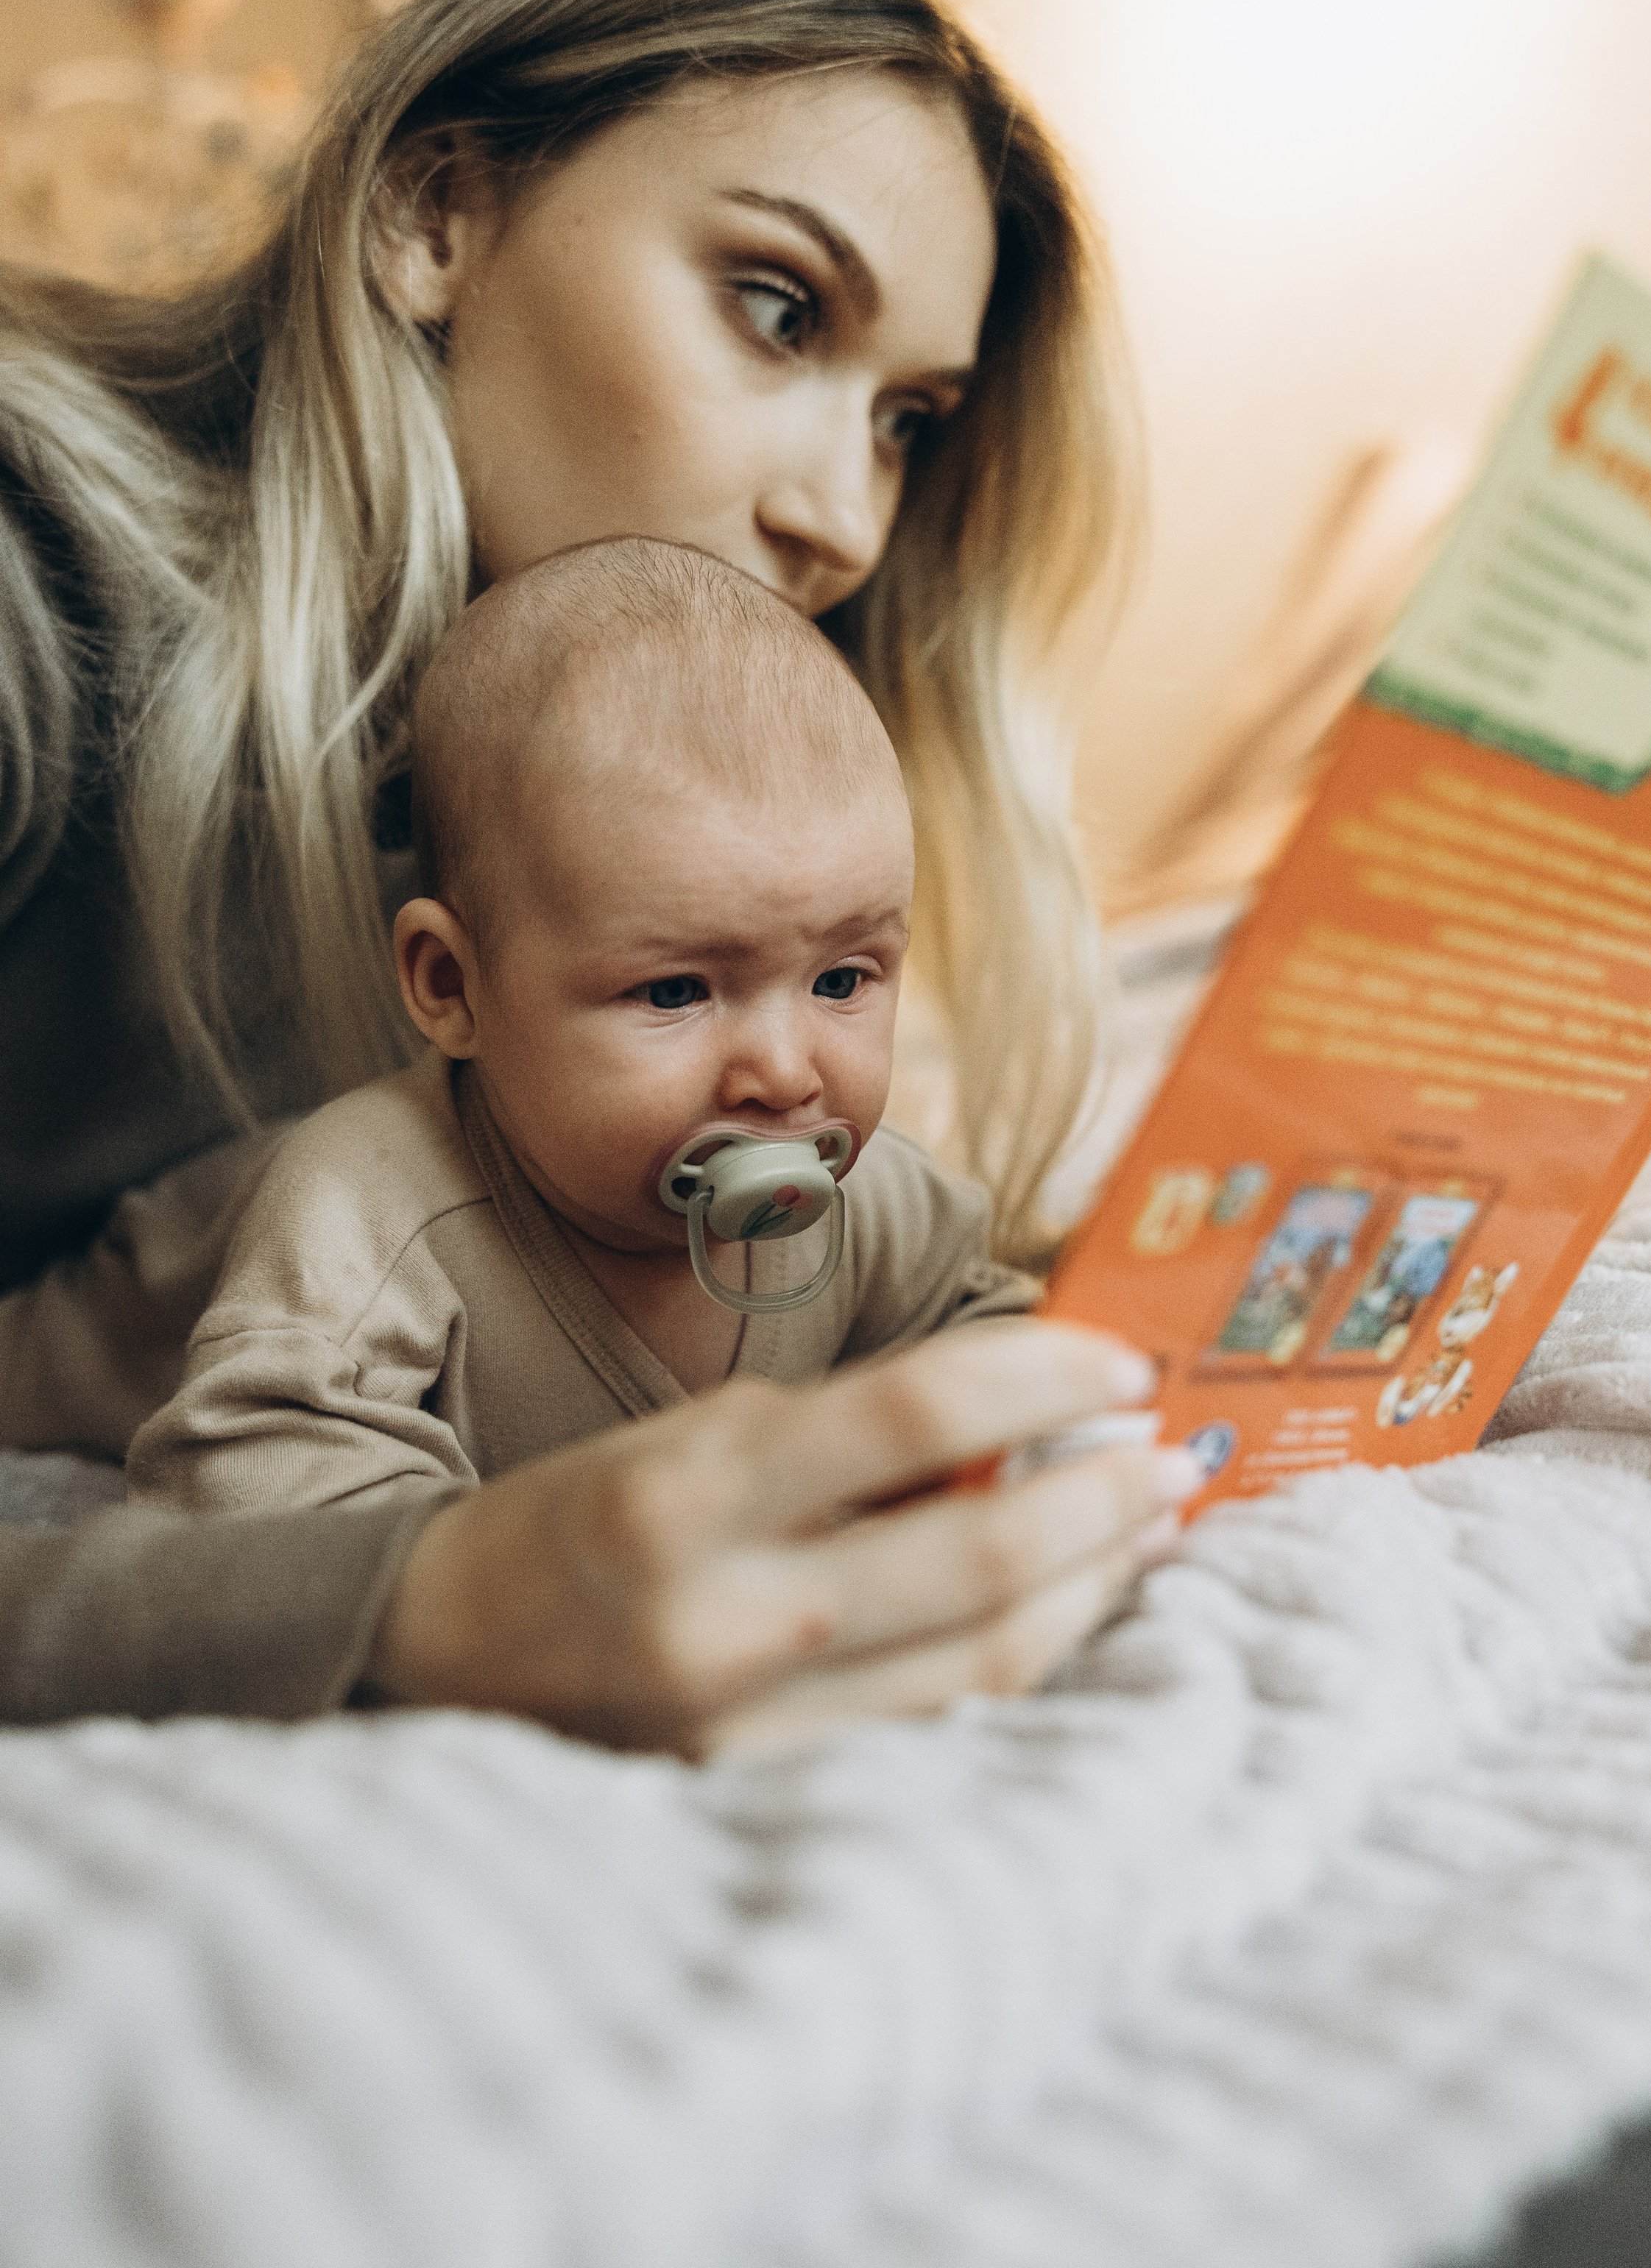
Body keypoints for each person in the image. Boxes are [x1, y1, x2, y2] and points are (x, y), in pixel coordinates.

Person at [0, 0, 1194, 1748]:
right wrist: (417, 1598)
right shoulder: (29, 601)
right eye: (778, 309)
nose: (844, 519)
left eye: (907, 423)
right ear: (431, 213)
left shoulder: (530, 792)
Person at [128, 536, 1047, 1529]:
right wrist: (511, 1567)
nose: (786, 1075)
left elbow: (994, 1336)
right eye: (676, 992)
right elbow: (250, 1490)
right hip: (116, 1297)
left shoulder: (873, 1204)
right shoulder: (367, 1216)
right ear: (452, 985)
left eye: (839, 980)